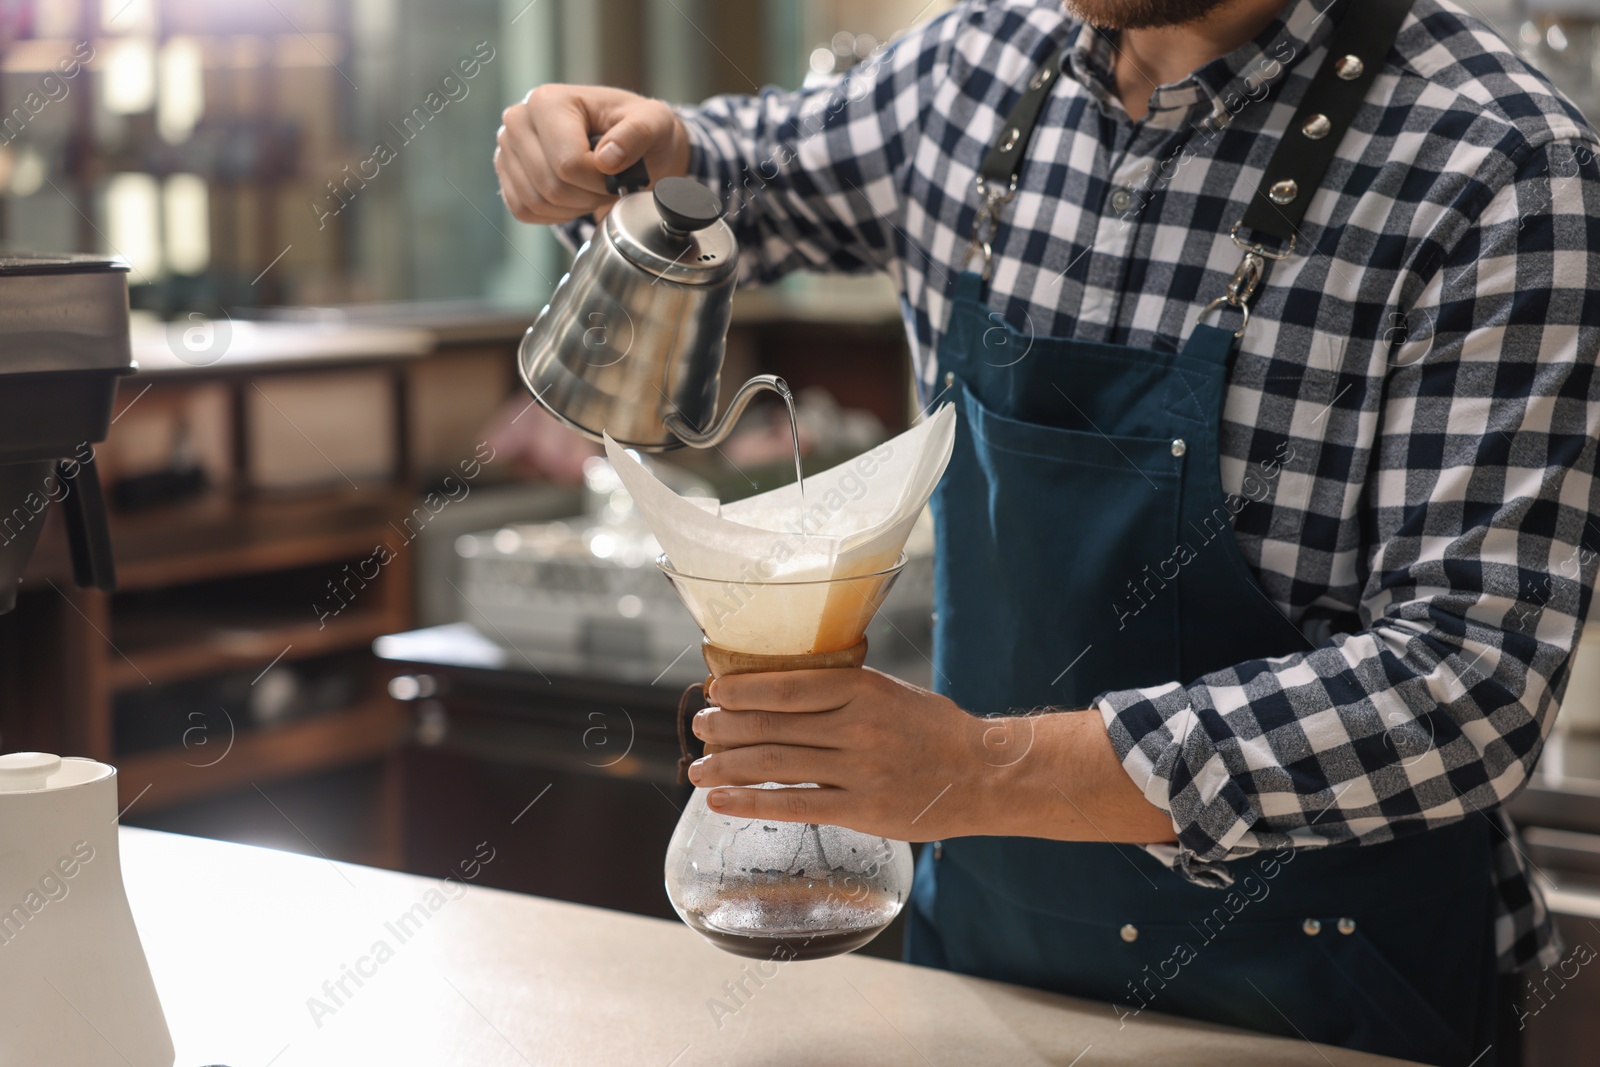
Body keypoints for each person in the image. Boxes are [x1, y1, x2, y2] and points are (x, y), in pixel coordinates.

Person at [494, 0, 1600, 1062]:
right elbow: (741, 168)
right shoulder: (977, 68)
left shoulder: (1494, 166)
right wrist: (623, 144)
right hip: (983, 968)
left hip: (1324, 1000)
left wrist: (978, 769)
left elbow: (1468, 682)